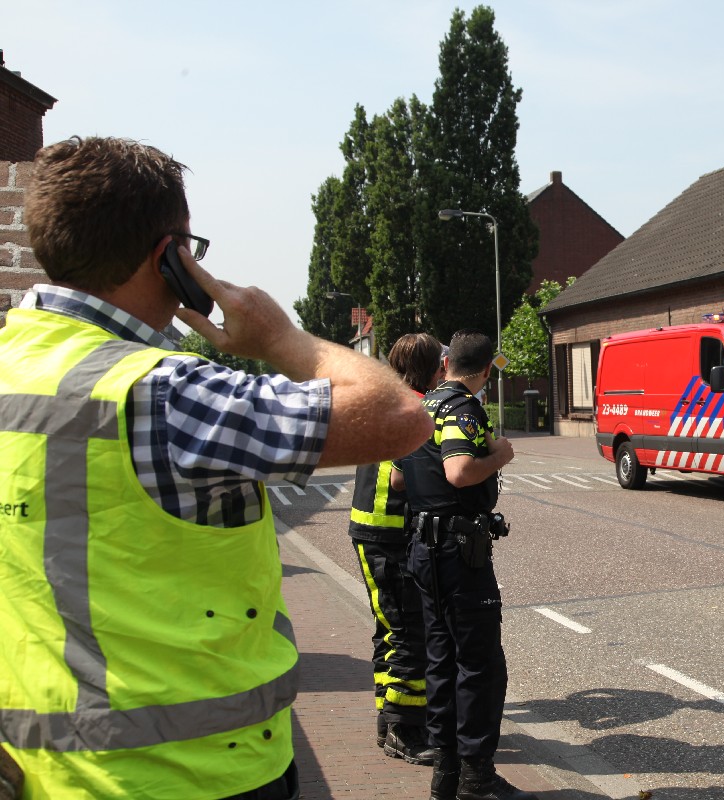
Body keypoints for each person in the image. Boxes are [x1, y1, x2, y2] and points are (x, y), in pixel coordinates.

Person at [0, 136, 433, 800]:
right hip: (190, 773)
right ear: (171, 258)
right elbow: (400, 415)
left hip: (40, 772)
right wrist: (280, 338)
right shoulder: (166, 392)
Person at [395, 330, 535, 800]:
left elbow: (397, 480)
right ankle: (477, 779)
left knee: (440, 660)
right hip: (458, 553)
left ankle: (446, 774)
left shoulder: (422, 407)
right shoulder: (462, 409)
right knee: (479, 665)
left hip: (423, 549)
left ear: (447, 363)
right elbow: (458, 471)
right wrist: (499, 456)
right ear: (486, 370)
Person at [347, 333, 445, 762]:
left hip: (369, 529)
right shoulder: (416, 408)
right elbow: (402, 478)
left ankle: (387, 720)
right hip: (392, 532)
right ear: (432, 366)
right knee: (410, 632)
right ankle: (406, 731)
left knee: (388, 629)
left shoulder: (380, 400)